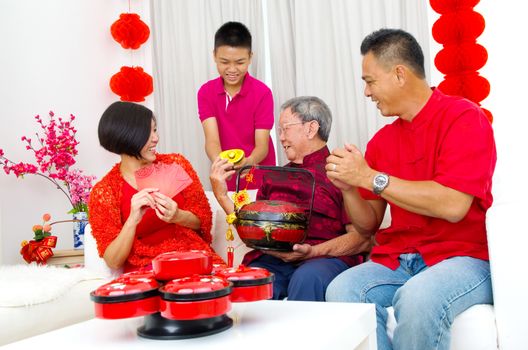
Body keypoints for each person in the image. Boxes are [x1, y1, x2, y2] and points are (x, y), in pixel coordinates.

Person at [324, 29, 496, 350]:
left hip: (464, 258)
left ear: (399, 74)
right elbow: (368, 224)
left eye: (370, 81)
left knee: (418, 296)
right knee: (342, 290)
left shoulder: (463, 118)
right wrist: (350, 186)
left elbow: (453, 204)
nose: (366, 92)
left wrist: (371, 178)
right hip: (401, 260)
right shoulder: (382, 141)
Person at [210, 96, 372, 301]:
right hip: (273, 260)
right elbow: (252, 234)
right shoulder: (274, 176)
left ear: (311, 128)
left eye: (285, 129)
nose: (281, 138)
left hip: (323, 259)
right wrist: (222, 196)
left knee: (307, 277)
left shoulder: (343, 170)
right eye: (279, 131)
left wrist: (312, 252)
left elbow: (362, 238)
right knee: (253, 279)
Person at [89, 101, 224, 272]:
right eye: (149, 132)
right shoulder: (104, 191)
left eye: (155, 130)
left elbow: (203, 221)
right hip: (148, 270)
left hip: (193, 258)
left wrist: (177, 216)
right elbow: (113, 261)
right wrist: (132, 220)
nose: (156, 138)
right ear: (127, 136)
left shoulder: (175, 165)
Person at [198, 21, 276, 190]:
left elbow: (262, 146)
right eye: (224, 62)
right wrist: (220, 163)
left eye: (240, 62)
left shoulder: (263, 93)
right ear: (214, 56)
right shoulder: (206, 92)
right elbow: (211, 140)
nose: (232, 69)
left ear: (250, 57)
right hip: (226, 173)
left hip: (259, 174)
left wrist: (248, 162)